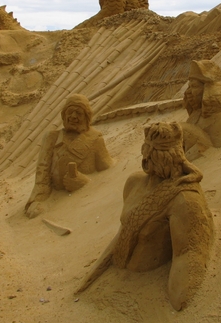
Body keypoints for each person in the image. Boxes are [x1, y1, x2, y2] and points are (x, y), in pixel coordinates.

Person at [76, 121, 213, 311]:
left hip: (144, 301)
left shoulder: (184, 200)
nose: (148, 160)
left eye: (156, 155)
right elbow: (123, 233)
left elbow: (188, 257)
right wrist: (90, 278)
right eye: (146, 152)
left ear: (175, 156)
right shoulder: (134, 183)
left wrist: (177, 307)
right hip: (114, 287)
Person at [25, 94, 113, 217]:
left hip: (84, 206)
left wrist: (85, 181)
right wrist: (37, 201)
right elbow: (42, 174)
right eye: (70, 112)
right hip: (55, 203)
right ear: (64, 114)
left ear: (87, 117)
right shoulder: (51, 137)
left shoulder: (95, 139)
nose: (73, 116)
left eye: (78, 113)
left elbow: (109, 173)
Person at [182, 60, 221, 158]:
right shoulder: (195, 115)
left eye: (194, 86)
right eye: (189, 87)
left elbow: (218, 145)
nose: (188, 92)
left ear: (208, 89)